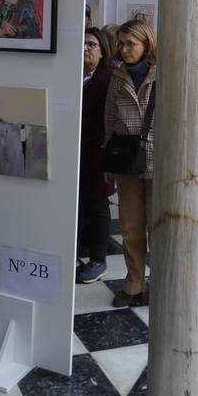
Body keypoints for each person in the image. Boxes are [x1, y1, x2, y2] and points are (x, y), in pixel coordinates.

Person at [105, 19, 157, 308]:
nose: (124, 49)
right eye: (121, 44)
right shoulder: (117, 77)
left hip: (158, 160)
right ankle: (134, 282)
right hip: (127, 162)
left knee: (158, 227)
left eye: (131, 44)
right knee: (130, 226)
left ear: (146, 45)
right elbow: (110, 119)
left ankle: (160, 284)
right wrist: (108, 161)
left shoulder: (162, 74)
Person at [77, 28, 114, 283]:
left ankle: (98, 261)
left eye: (91, 44)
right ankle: (76, 252)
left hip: (97, 151)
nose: (85, 48)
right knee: (76, 203)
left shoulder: (108, 78)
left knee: (98, 204)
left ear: (102, 52)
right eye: (82, 43)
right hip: (73, 149)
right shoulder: (71, 73)